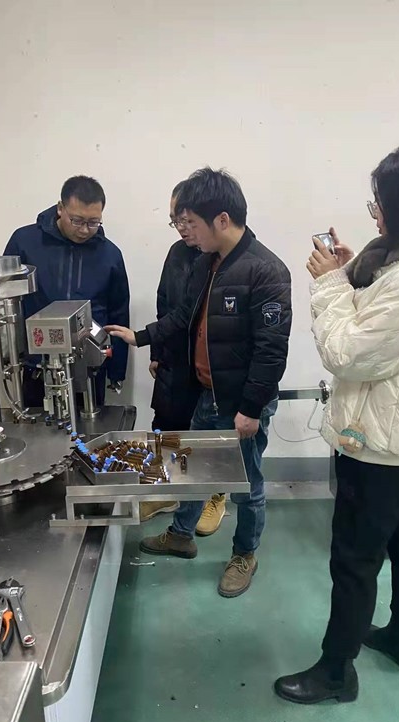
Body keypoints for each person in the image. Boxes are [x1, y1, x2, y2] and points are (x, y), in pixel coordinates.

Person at [275, 137, 399, 704]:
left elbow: (347, 352)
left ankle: (336, 673)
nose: (376, 212)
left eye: (381, 202)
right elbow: (387, 325)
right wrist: (357, 269)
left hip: (382, 441)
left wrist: (330, 282)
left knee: (354, 560)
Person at [107, 167, 292, 598]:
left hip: (241, 402)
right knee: (189, 469)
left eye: (191, 222)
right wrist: (141, 337)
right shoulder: (206, 263)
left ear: (221, 220)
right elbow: (181, 316)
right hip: (206, 392)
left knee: (246, 486)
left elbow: (271, 351)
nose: (186, 231)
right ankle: (181, 535)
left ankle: (244, 555)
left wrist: (250, 409)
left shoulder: (266, 270)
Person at [4, 175, 130, 408]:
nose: (84, 230)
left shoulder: (110, 255)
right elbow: (7, 300)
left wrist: (116, 370)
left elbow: (118, 313)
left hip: (89, 368)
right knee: (38, 427)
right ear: (60, 208)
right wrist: (8, 356)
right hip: (37, 366)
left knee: (89, 428)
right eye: (77, 220)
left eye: (93, 222)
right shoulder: (25, 242)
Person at [140, 181, 202, 523]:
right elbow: (165, 303)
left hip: (205, 364)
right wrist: (157, 351)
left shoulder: (223, 257)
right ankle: (163, 491)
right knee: (165, 426)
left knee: (204, 434)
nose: (181, 228)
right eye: (175, 221)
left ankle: (211, 497)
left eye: (187, 220)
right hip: (173, 358)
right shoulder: (177, 253)